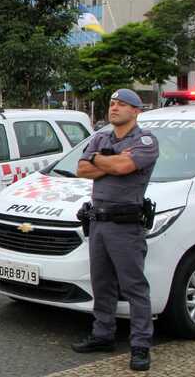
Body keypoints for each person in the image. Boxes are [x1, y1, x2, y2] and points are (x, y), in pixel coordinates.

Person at [72, 89, 159, 372]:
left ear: (136, 111)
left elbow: (124, 167)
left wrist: (100, 160)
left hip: (125, 224)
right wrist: (106, 160)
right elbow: (81, 169)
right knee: (102, 283)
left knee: (133, 286)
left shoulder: (145, 140)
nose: (115, 108)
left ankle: (140, 345)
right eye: (112, 104)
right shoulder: (101, 137)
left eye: (122, 104)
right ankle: (102, 335)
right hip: (98, 221)